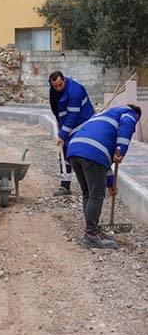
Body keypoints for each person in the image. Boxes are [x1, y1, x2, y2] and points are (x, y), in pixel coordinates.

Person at [66, 104, 141, 249]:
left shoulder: (103, 115)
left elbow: (103, 165)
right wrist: (121, 151)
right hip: (92, 153)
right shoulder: (129, 114)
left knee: (88, 193)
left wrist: (111, 184)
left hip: (74, 149)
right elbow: (125, 129)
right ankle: (91, 236)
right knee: (96, 195)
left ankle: (93, 230)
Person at [49, 71, 94, 196]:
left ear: (64, 80)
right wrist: (60, 126)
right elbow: (56, 109)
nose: (58, 88)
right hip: (67, 123)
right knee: (64, 152)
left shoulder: (75, 91)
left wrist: (62, 135)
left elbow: (73, 116)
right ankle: (65, 186)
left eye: (60, 85)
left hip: (82, 124)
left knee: (81, 153)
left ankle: (90, 186)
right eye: (55, 86)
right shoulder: (53, 89)